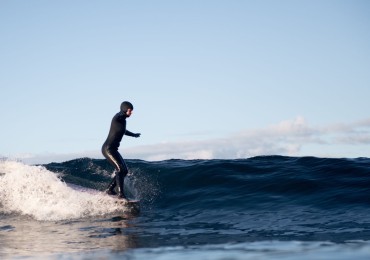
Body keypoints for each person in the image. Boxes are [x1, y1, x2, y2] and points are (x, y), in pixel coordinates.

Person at [101, 101, 141, 199]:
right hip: (108, 149)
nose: (131, 113)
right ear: (124, 110)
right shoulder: (117, 118)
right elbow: (119, 115)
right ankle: (121, 194)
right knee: (120, 169)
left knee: (125, 171)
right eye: (129, 111)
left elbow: (123, 131)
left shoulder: (123, 121)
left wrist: (134, 135)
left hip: (113, 149)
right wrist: (122, 113)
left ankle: (109, 190)